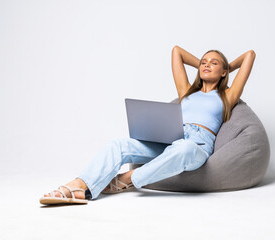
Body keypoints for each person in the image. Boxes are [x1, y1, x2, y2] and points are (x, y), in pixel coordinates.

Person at [40, 46, 256, 205]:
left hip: (195, 148)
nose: (206, 64)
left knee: (184, 148)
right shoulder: (187, 92)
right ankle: (80, 185)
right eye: (203, 62)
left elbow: (249, 55)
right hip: (172, 141)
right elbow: (176, 52)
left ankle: (128, 179)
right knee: (119, 145)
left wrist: (226, 66)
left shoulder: (227, 96)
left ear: (225, 72)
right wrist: (205, 64)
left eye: (213, 63)